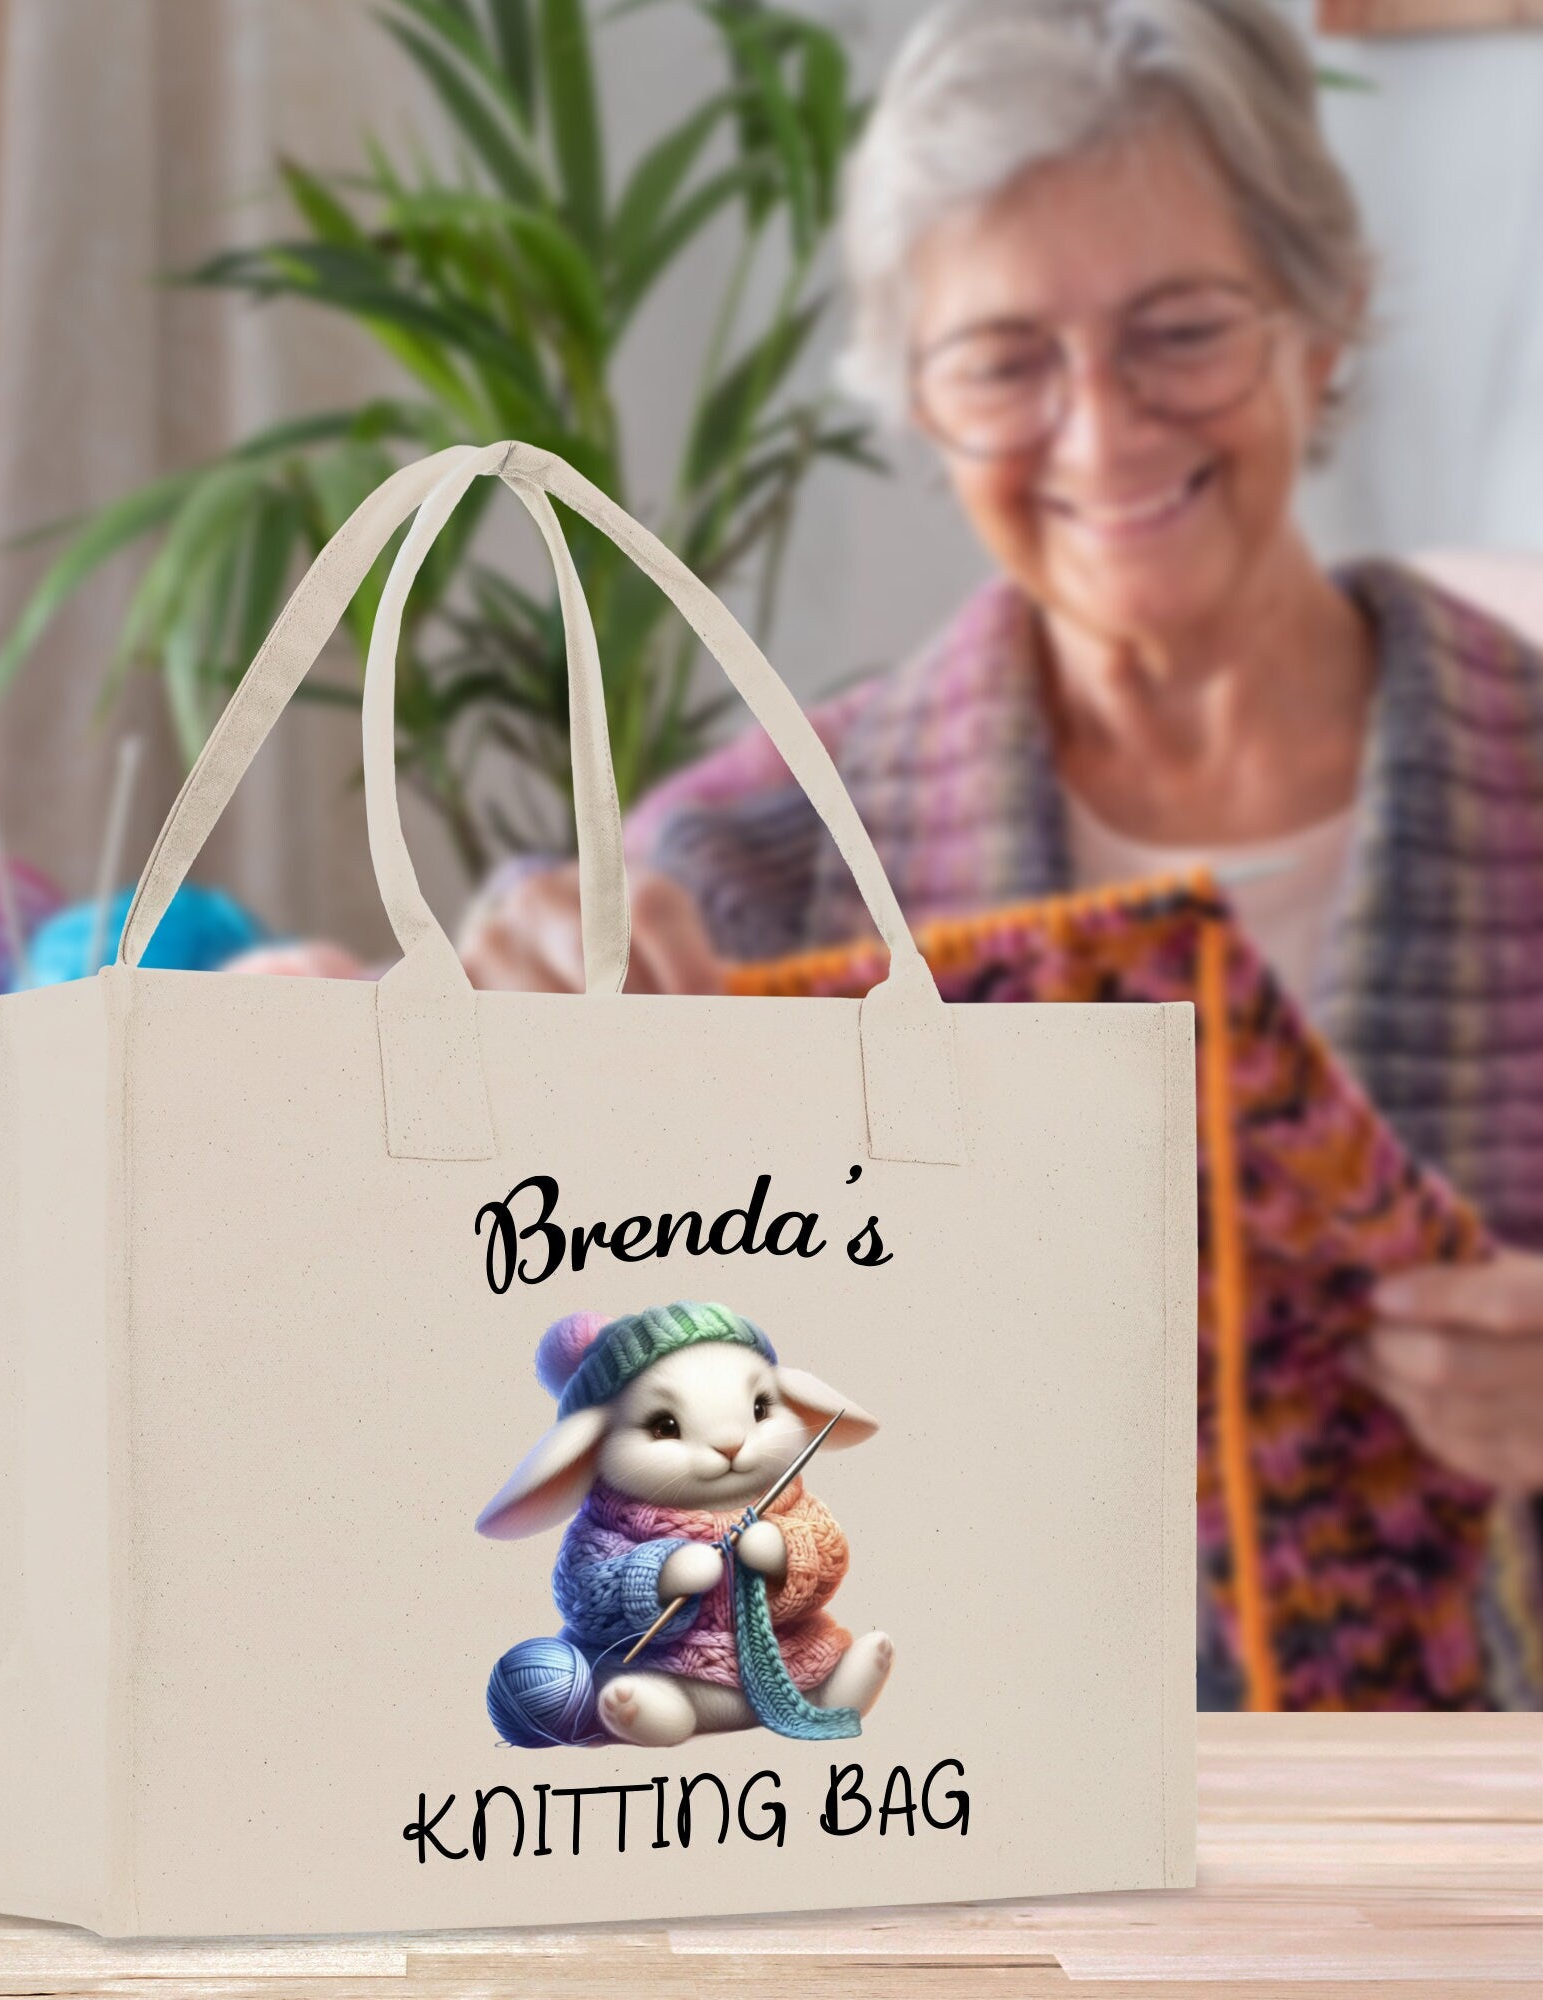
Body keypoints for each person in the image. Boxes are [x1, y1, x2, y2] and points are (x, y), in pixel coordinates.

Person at [448, 0, 1543, 1699]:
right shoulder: (764, 869)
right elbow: (503, 1317)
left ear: (1323, 323)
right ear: (918, 400)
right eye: (1005, 359)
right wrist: (506, 992)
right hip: (938, 1843)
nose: (1101, 433)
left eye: (1181, 331)